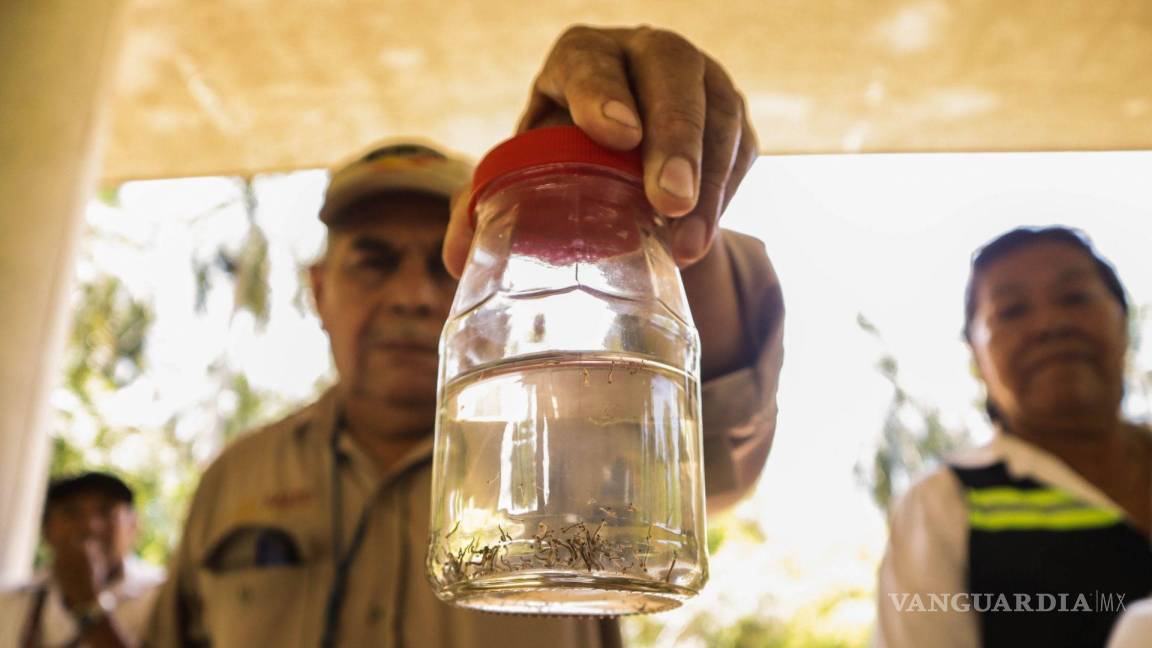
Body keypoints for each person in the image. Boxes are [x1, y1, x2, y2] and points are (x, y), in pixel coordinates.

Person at [146, 25, 784, 648]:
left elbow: (718, 432)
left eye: (439, 264)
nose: (413, 295)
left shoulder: (580, 438)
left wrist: (646, 204)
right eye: (374, 260)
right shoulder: (234, 481)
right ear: (318, 291)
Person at [876, 226, 1152, 647]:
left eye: (1074, 297)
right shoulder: (944, 505)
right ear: (976, 358)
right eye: (1011, 311)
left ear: (1123, 319)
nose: (1050, 325)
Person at [0, 472, 165, 648]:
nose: (90, 526)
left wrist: (89, 605)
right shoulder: (9, 603)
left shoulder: (161, 599)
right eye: (71, 512)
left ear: (134, 526)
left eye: (106, 511)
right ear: (46, 530)